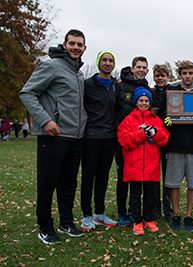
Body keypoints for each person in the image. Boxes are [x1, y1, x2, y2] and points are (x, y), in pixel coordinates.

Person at [19, 29, 87, 244]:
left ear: (84, 48)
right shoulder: (51, 66)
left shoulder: (78, 73)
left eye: (80, 44)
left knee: (68, 184)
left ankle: (66, 222)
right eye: (72, 43)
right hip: (53, 135)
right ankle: (45, 227)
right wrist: (46, 120)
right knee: (48, 183)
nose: (76, 47)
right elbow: (27, 93)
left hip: (75, 137)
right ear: (64, 44)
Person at [118, 87, 170, 235]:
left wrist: (155, 132)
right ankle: (137, 221)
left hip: (151, 165)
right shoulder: (128, 119)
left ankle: (149, 219)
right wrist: (141, 134)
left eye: (146, 101)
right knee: (135, 194)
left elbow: (165, 139)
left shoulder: (156, 120)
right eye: (141, 100)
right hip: (134, 165)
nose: (144, 103)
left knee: (150, 194)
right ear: (136, 102)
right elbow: (124, 140)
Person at [164, 60, 193, 232]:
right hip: (175, 145)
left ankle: (188, 215)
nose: (187, 76)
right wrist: (167, 120)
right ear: (180, 75)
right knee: (174, 183)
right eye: (184, 73)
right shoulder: (172, 93)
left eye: (190, 73)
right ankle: (176, 214)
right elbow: (165, 117)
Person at [80, 50, 118, 232]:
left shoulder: (115, 86)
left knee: (103, 177)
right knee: (89, 177)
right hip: (91, 137)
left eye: (110, 61)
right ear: (98, 63)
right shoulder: (88, 84)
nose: (107, 63)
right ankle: (86, 216)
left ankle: (100, 213)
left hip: (109, 138)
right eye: (104, 60)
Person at [115, 56, 150, 227]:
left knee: (139, 179)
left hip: (142, 143)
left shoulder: (147, 89)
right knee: (123, 178)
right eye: (139, 67)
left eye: (144, 67)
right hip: (124, 140)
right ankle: (122, 212)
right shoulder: (120, 86)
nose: (141, 70)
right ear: (132, 68)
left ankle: (135, 210)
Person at [150, 64, 174, 220]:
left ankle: (168, 208)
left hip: (169, 138)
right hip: (153, 138)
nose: (160, 78)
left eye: (163, 75)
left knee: (169, 175)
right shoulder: (150, 92)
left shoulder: (174, 91)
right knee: (153, 175)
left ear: (168, 77)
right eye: (157, 75)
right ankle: (154, 208)